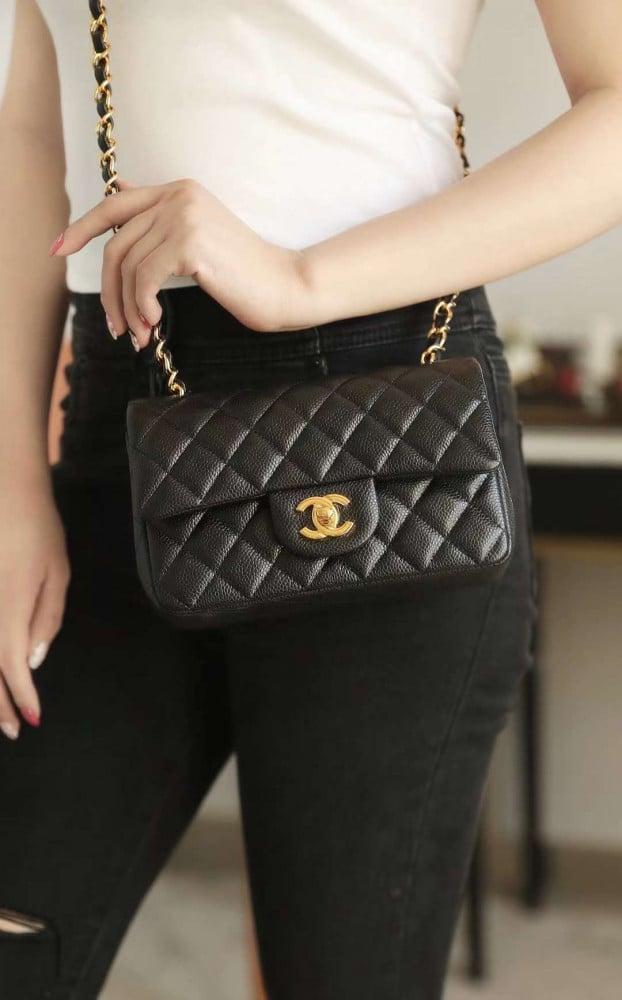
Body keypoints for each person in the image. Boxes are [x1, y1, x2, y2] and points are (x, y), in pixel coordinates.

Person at [0, 1, 619, 998]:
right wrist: (9, 485)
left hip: (391, 419)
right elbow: (29, 134)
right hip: (118, 420)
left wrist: (298, 278)